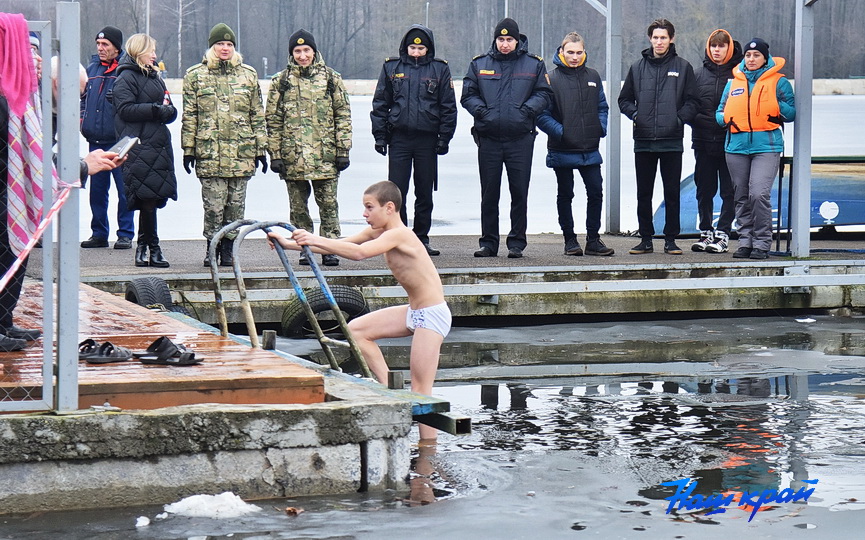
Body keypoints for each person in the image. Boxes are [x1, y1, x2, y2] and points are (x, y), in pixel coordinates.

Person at [267, 181, 450, 442]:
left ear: (389, 208)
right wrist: (288, 244)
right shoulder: (378, 232)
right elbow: (338, 245)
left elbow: (359, 254)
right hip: (414, 311)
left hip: (432, 315)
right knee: (356, 330)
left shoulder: (400, 234)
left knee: (421, 390)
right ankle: (389, 387)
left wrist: (313, 237)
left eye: (369, 207)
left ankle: (427, 449)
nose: (364, 214)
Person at [461, 17, 552, 259]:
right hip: (489, 139)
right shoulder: (479, 64)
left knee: (519, 192)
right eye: (501, 39)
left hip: (520, 139)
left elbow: (544, 94)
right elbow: (468, 94)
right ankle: (488, 243)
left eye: (509, 39)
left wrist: (526, 111)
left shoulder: (533, 64)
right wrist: (482, 112)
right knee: (489, 193)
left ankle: (516, 243)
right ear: (495, 40)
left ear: (517, 40)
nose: (504, 44)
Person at [182, 23, 267, 267]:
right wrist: (188, 149)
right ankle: (212, 247)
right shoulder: (196, 75)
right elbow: (190, 115)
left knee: (235, 206)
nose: (225, 48)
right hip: (210, 152)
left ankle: (229, 250)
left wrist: (261, 149)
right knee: (213, 206)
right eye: (220, 44)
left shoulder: (248, 75)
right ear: (212, 47)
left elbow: (256, 114)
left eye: (229, 44)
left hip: (241, 153)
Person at [265, 29, 351, 267]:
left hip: (325, 155)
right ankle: (305, 247)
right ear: (291, 53)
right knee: (298, 208)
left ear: (314, 51)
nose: (302, 56)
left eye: (306, 50)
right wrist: (275, 154)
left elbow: (343, 116)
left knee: (329, 205)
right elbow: (273, 120)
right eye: (297, 51)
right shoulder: (281, 81)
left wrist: (343, 150)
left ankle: (329, 247)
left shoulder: (331, 78)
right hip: (293, 156)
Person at [370, 24, 457, 257]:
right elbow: (380, 104)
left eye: (420, 48)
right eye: (412, 48)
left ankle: (421, 238)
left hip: (427, 140)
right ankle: (398, 237)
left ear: (428, 49)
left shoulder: (439, 69)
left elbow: (448, 106)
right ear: (405, 47)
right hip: (399, 138)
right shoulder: (392, 67)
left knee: (424, 192)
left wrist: (445, 137)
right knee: (396, 193)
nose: (416, 52)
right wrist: (380, 136)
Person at [618, 18, 698, 255]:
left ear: (671, 39)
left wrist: (678, 119)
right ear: (650, 39)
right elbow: (624, 100)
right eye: (656, 37)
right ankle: (645, 239)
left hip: (671, 141)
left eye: (663, 37)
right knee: (644, 193)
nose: (659, 42)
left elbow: (693, 102)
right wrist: (637, 115)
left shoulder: (683, 67)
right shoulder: (637, 68)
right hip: (643, 141)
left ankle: (671, 239)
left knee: (671, 192)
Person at [537, 32, 614, 257]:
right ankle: (570, 240)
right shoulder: (551, 78)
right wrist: (563, 133)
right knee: (565, 194)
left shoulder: (593, 76)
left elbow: (602, 107)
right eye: (570, 52)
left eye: (579, 52)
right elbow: (541, 115)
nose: (575, 57)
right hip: (562, 148)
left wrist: (599, 128)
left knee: (596, 192)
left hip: (590, 148)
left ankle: (593, 240)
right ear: (561, 51)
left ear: (584, 52)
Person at [717, 38, 795, 260]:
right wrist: (725, 119)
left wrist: (776, 106)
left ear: (765, 58)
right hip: (736, 147)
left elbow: (791, 113)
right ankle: (745, 242)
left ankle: (762, 243)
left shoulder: (779, 82)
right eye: (748, 55)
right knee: (741, 195)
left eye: (756, 55)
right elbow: (720, 111)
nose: (751, 59)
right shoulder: (733, 83)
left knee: (758, 194)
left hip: (766, 147)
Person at [112, 33, 178, 268]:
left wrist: (168, 112)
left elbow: (168, 106)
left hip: (157, 145)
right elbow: (125, 109)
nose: (154, 55)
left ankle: (144, 246)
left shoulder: (155, 77)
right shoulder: (126, 77)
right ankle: (152, 248)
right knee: (146, 198)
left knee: (152, 198)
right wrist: (155, 110)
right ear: (139, 51)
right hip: (138, 145)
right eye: (151, 51)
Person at [80, 26, 135, 250]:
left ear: (117, 48)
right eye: (98, 44)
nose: (100, 48)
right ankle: (99, 233)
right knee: (97, 193)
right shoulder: (92, 69)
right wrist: (83, 120)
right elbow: (83, 99)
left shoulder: (125, 71)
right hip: (96, 142)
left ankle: (125, 234)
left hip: (119, 142)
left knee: (124, 191)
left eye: (105, 45)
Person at [690, 29, 743, 254]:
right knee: (704, 189)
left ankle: (723, 234)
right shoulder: (697, 75)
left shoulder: (739, 75)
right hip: (702, 141)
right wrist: (701, 120)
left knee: (729, 191)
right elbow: (688, 106)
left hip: (730, 142)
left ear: (729, 48)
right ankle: (705, 232)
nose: (717, 50)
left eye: (721, 46)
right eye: (713, 46)